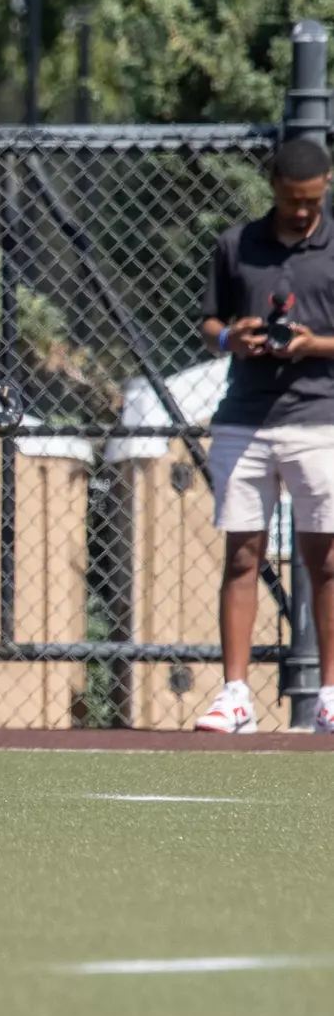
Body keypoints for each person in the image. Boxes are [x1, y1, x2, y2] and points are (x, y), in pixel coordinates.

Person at [195, 137, 334, 736]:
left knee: (326, 559)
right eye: (289, 199)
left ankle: (330, 695)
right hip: (244, 420)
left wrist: (314, 345)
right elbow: (208, 323)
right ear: (273, 188)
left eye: (310, 200)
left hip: (320, 419)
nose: (301, 211)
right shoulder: (236, 244)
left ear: (326, 186)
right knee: (242, 555)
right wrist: (232, 339)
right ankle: (235, 695)